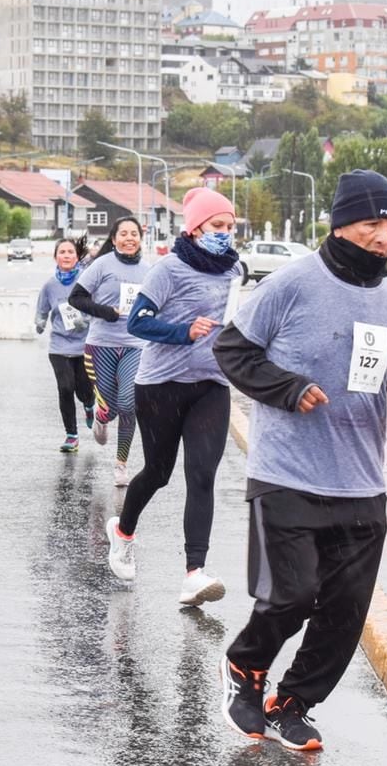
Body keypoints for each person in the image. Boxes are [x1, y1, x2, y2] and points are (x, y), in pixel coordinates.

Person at [213, 169, 387, 751]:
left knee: (344, 611)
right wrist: (287, 388)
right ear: (340, 224)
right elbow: (231, 350)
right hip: (287, 473)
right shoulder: (291, 284)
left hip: (361, 479)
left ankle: (294, 702)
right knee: (292, 594)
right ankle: (245, 667)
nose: (383, 237)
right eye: (370, 224)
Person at [104, 188, 241, 606]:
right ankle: (123, 531)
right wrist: (184, 332)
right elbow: (139, 323)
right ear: (195, 227)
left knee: (202, 475)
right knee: (159, 472)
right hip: (161, 385)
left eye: (231, 227)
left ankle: (194, 574)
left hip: (211, 386)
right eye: (218, 226)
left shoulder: (234, 272)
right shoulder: (170, 269)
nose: (226, 234)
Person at [69, 218, 149, 487]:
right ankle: (101, 418)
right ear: (114, 239)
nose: (129, 238)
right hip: (100, 344)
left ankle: (121, 464)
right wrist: (106, 313)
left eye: (134, 234)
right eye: (123, 233)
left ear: (140, 238)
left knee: (129, 404)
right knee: (112, 409)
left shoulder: (149, 271)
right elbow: (76, 298)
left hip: (134, 346)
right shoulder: (102, 265)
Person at [35, 238, 96, 452]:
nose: (67, 255)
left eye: (71, 251)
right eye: (62, 252)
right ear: (56, 257)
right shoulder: (50, 285)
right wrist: (40, 322)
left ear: (77, 257)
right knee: (65, 388)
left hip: (84, 346)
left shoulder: (86, 281)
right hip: (59, 346)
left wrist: (85, 321)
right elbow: (42, 308)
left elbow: (97, 307)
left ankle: (89, 405)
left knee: (83, 390)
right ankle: (71, 435)